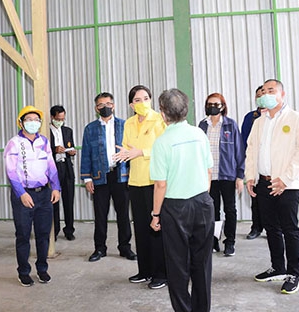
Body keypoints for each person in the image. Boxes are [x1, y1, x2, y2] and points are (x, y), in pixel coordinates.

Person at [244, 79, 299, 295]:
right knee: (271, 227)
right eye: (263, 91)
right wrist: (250, 176)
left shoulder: (297, 119)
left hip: (287, 185)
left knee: (290, 229)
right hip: (264, 182)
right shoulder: (259, 122)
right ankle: (277, 267)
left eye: (271, 90)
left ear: (282, 94)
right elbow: (251, 150)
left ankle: (293, 273)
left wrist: (286, 179)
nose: (266, 94)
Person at [150, 88, 215, 312]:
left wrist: (155, 214)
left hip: (175, 208)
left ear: (163, 113)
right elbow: (208, 170)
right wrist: (202, 196)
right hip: (203, 202)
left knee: (177, 265)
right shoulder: (199, 134)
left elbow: (160, 185)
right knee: (202, 262)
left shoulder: (162, 142)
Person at [114, 85, 167, 290]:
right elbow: (127, 147)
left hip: (155, 181)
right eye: (137, 100)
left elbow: (164, 147)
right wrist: (124, 153)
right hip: (135, 181)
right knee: (141, 228)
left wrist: (141, 152)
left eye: (146, 98)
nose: (142, 102)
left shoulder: (159, 120)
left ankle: (161, 273)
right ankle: (144, 270)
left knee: (156, 227)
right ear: (131, 105)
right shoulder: (128, 123)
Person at [3, 105, 61, 287]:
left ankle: (42, 269)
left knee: (43, 234)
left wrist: (56, 188)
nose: (33, 123)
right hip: (24, 196)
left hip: (44, 194)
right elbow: (11, 172)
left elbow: (51, 166)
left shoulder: (44, 141)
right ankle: (23, 272)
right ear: (21, 123)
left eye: (36, 120)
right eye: (29, 119)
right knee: (23, 235)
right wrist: (21, 193)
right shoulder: (14, 143)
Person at [80, 92, 136, 262]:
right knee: (100, 215)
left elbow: (132, 150)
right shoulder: (90, 129)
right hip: (100, 177)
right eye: (101, 105)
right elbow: (86, 154)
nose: (105, 107)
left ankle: (125, 247)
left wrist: (132, 174)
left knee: (123, 215)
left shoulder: (125, 125)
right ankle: (100, 248)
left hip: (121, 176)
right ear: (96, 108)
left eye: (108, 104)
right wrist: (87, 178)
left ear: (114, 105)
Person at [198, 92, 245, 256]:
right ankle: (213, 240)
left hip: (227, 175)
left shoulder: (230, 125)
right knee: (212, 210)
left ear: (223, 106)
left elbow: (239, 151)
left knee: (230, 210)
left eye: (216, 104)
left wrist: (240, 176)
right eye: (209, 104)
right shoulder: (202, 126)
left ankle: (230, 242)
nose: (213, 107)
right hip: (209, 177)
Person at [240, 85, 267, 240]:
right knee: (255, 198)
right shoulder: (250, 117)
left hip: (271, 166)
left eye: (265, 93)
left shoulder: (276, 117)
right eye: (259, 95)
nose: (262, 97)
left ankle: (272, 228)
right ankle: (256, 227)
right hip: (254, 163)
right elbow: (244, 141)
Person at [49, 105, 77, 241]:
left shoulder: (67, 131)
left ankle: (69, 229)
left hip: (66, 167)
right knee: (53, 200)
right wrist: (54, 150)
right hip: (53, 168)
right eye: (58, 119)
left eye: (62, 119)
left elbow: (71, 146)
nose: (60, 121)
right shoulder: (46, 132)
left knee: (69, 199)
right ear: (52, 117)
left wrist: (72, 151)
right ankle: (54, 230)